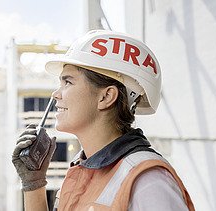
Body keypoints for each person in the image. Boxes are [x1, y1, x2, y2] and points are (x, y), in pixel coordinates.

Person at [12, 30, 195, 211]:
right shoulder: (80, 172)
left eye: (68, 82)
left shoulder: (149, 183)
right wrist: (34, 185)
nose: (56, 94)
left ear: (106, 97)